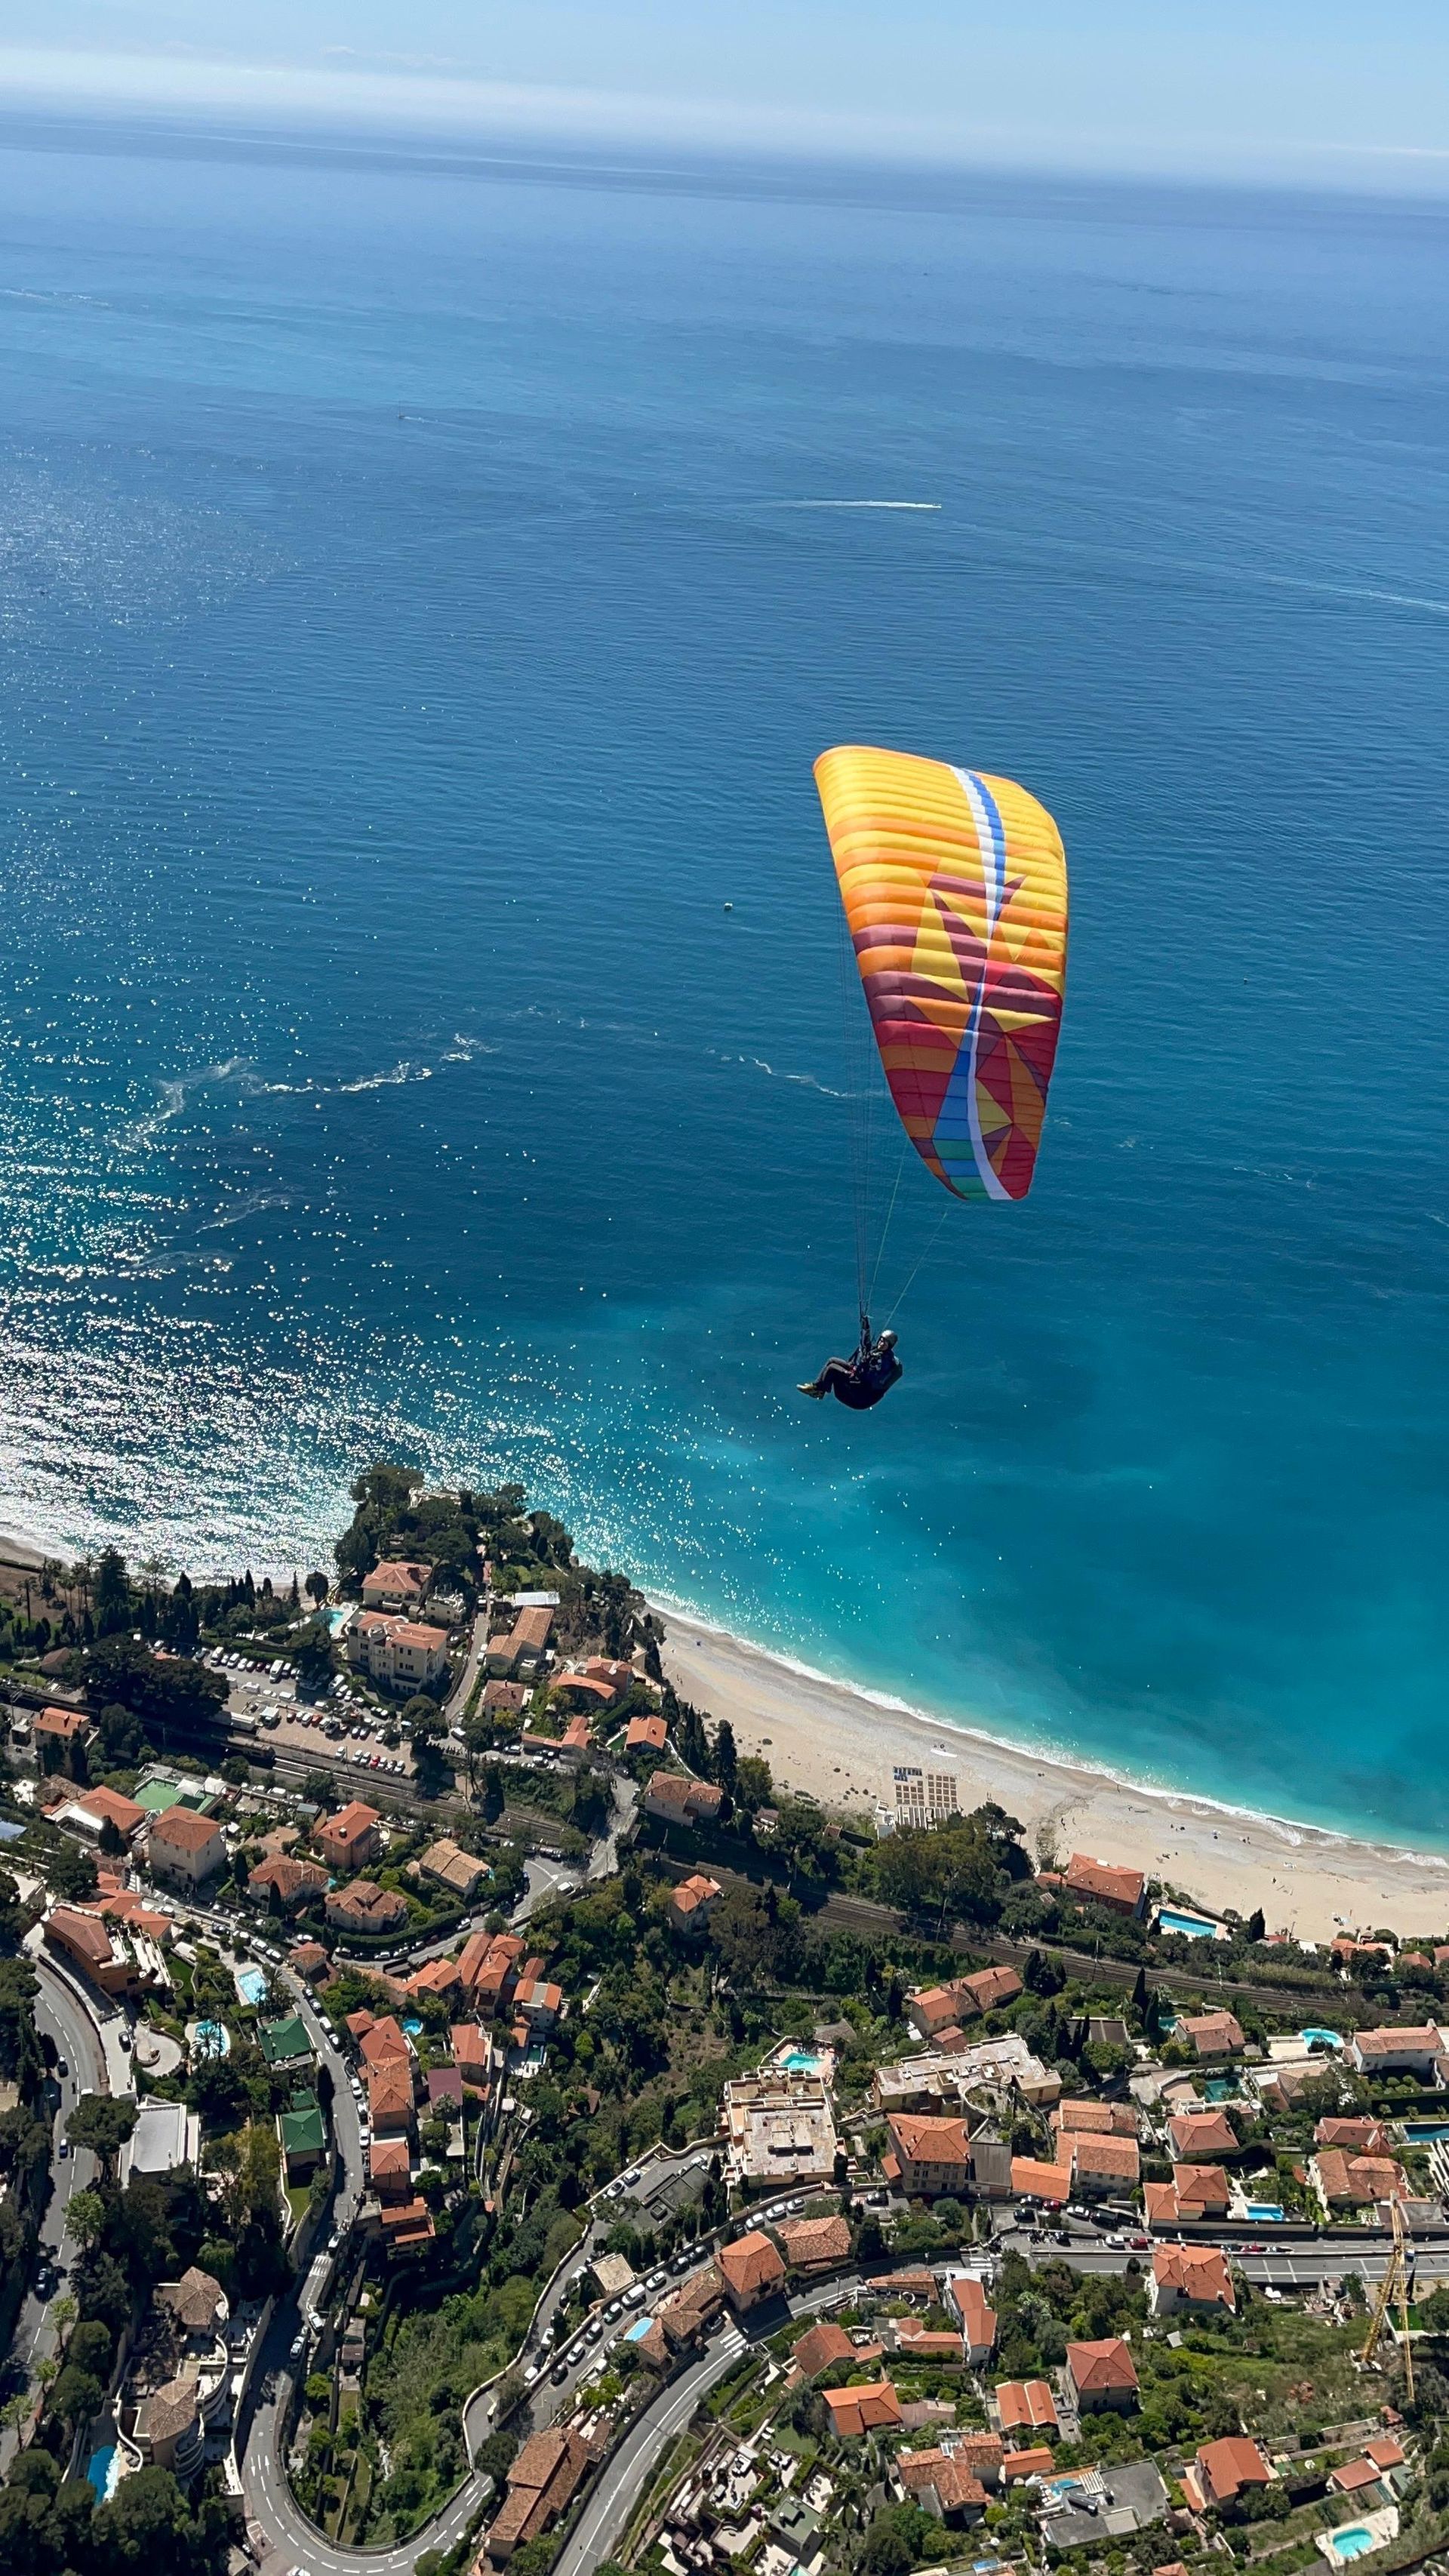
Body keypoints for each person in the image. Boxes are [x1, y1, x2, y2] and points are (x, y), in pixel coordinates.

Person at [798, 1321, 903, 1409]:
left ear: (889, 1346)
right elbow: (865, 1344)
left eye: (885, 1343)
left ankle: (817, 1390)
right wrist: (865, 1326)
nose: (881, 1343)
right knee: (832, 1360)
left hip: (861, 1395)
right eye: (881, 1340)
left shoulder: (885, 1361)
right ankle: (819, 1390)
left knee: (832, 1369)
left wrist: (865, 1365)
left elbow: (872, 1376)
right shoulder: (876, 1351)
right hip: (858, 1379)